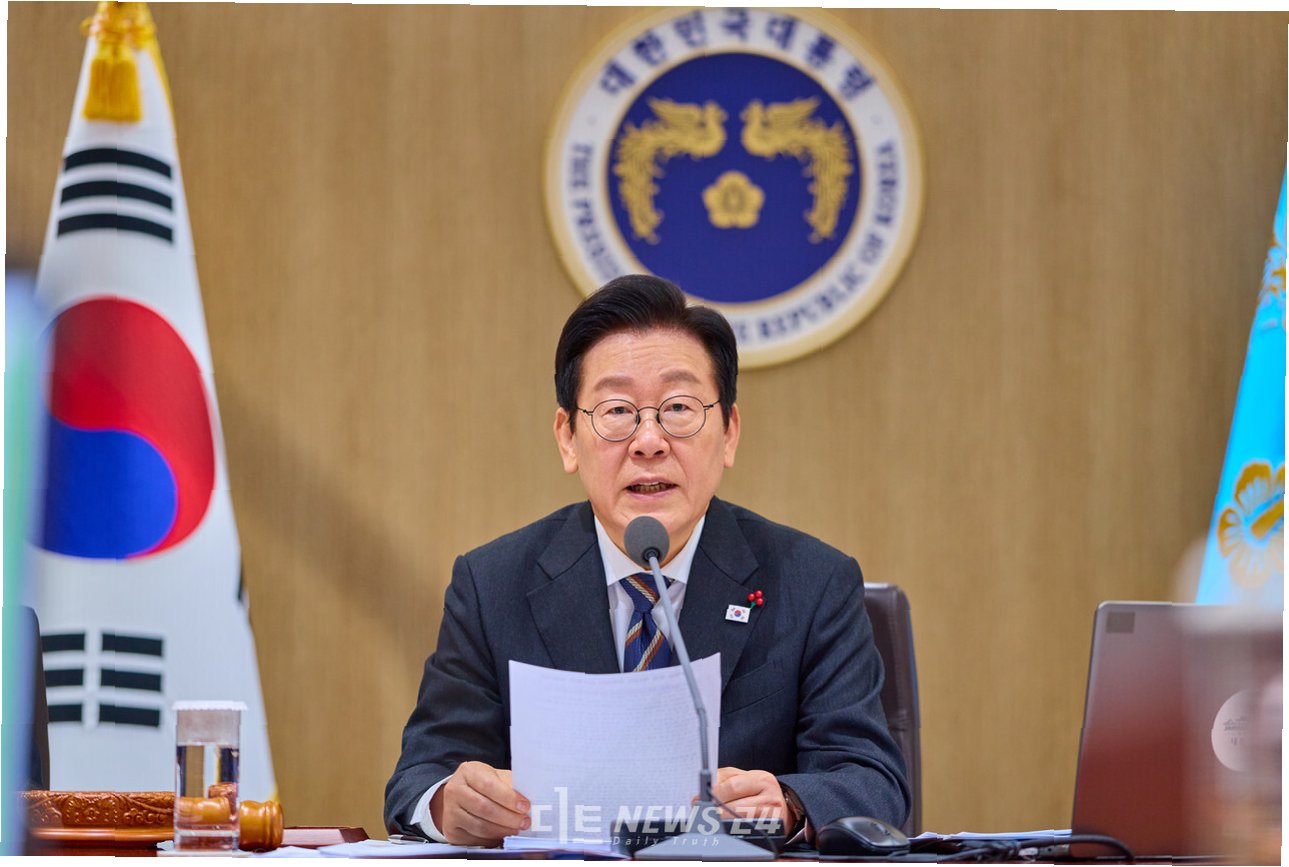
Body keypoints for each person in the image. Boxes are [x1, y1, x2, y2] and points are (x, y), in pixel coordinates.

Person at [384, 274, 909, 845]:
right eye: (617, 410)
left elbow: (870, 780)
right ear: (568, 438)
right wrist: (449, 805)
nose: (649, 441)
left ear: (729, 433)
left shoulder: (812, 582)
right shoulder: (493, 585)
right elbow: (419, 779)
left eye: (679, 407)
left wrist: (786, 803)